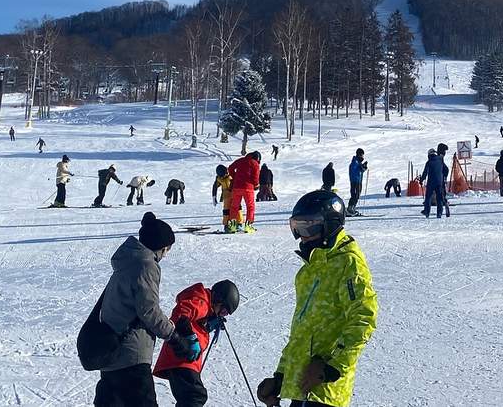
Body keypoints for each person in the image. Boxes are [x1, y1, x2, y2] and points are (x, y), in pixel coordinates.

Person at [257, 191, 377, 407]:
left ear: (329, 225)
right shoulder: (309, 271)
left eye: (308, 226)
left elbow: (363, 319)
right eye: (297, 227)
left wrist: (331, 368)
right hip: (302, 389)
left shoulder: (348, 263)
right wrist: (281, 377)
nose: (302, 235)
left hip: (325, 392)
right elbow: (302, 334)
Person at [90, 212, 183, 407]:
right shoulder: (146, 265)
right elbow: (148, 310)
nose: (166, 254)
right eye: (167, 250)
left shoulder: (127, 262)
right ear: (162, 247)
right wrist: (173, 335)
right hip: (131, 355)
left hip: (112, 352)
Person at [153, 279, 240, 407]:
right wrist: (189, 336)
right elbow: (180, 315)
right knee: (195, 397)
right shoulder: (202, 301)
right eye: (223, 311)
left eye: (225, 314)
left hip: (184, 360)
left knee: (192, 397)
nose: (222, 315)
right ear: (218, 299)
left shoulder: (206, 308)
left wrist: (209, 322)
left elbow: (196, 321)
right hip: (180, 359)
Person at [226, 151, 261, 232]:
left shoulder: (240, 160)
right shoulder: (255, 163)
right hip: (248, 188)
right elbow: (256, 177)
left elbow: (230, 168)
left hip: (237, 187)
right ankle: (248, 226)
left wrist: (235, 177)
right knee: (250, 207)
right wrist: (256, 184)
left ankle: (233, 226)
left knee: (234, 206)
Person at [420, 149, 448, 218]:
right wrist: (444, 177)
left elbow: (425, 173)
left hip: (431, 182)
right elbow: (446, 169)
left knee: (428, 197)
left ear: (429, 154)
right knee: (439, 198)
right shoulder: (440, 160)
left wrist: (421, 180)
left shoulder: (429, 162)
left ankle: (427, 212)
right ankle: (439, 213)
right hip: (439, 182)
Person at [348, 149, 368, 216]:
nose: (362, 156)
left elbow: (360, 170)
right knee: (354, 195)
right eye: (362, 155)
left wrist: (363, 167)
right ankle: (350, 209)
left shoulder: (358, 162)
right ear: (359, 154)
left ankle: (352, 208)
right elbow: (354, 171)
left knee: (357, 195)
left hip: (358, 181)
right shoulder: (355, 162)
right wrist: (361, 168)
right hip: (355, 181)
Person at [213, 165, 233, 231]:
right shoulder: (219, 178)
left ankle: (238, 223)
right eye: (221, 176)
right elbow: (215, 187)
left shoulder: (231, 174)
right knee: (226, 211)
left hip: (234, 195)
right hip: (226, 196)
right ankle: (226, 225)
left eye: (224, 175)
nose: (223, 177)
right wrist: (214, 197)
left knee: (237, 209)